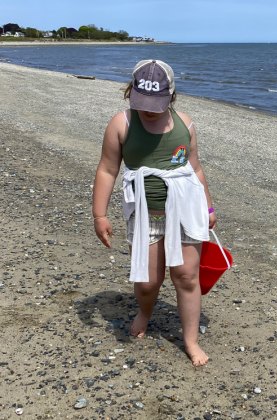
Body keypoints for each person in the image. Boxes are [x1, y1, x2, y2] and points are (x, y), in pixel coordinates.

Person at [92, 59, 216, 367]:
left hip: (184, 210)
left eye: (157, 104)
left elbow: (195, 169)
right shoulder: (122, 123)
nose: (149, 110)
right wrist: (100, 214)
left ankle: (190, 340)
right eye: (143, 102)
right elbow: (108, 169)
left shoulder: (185, 124)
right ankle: (144, 311)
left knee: (187, 276)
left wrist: (209, 207)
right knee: (148, 280)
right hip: (146, 213)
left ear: (171, 96)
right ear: (130, 93)